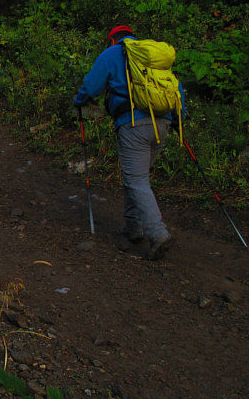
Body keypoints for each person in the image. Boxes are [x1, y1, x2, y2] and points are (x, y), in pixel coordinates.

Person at [73, 25, 184, 260]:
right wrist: (176, 121)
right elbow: (177, 89)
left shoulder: (113, 53)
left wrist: (79, 100)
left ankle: (158, 234)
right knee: (137, 178)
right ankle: (134, 229)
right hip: (162, 124)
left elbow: (92, 86)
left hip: (133, 124)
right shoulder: (150, 57)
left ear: (112, 39)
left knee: (137, 179)